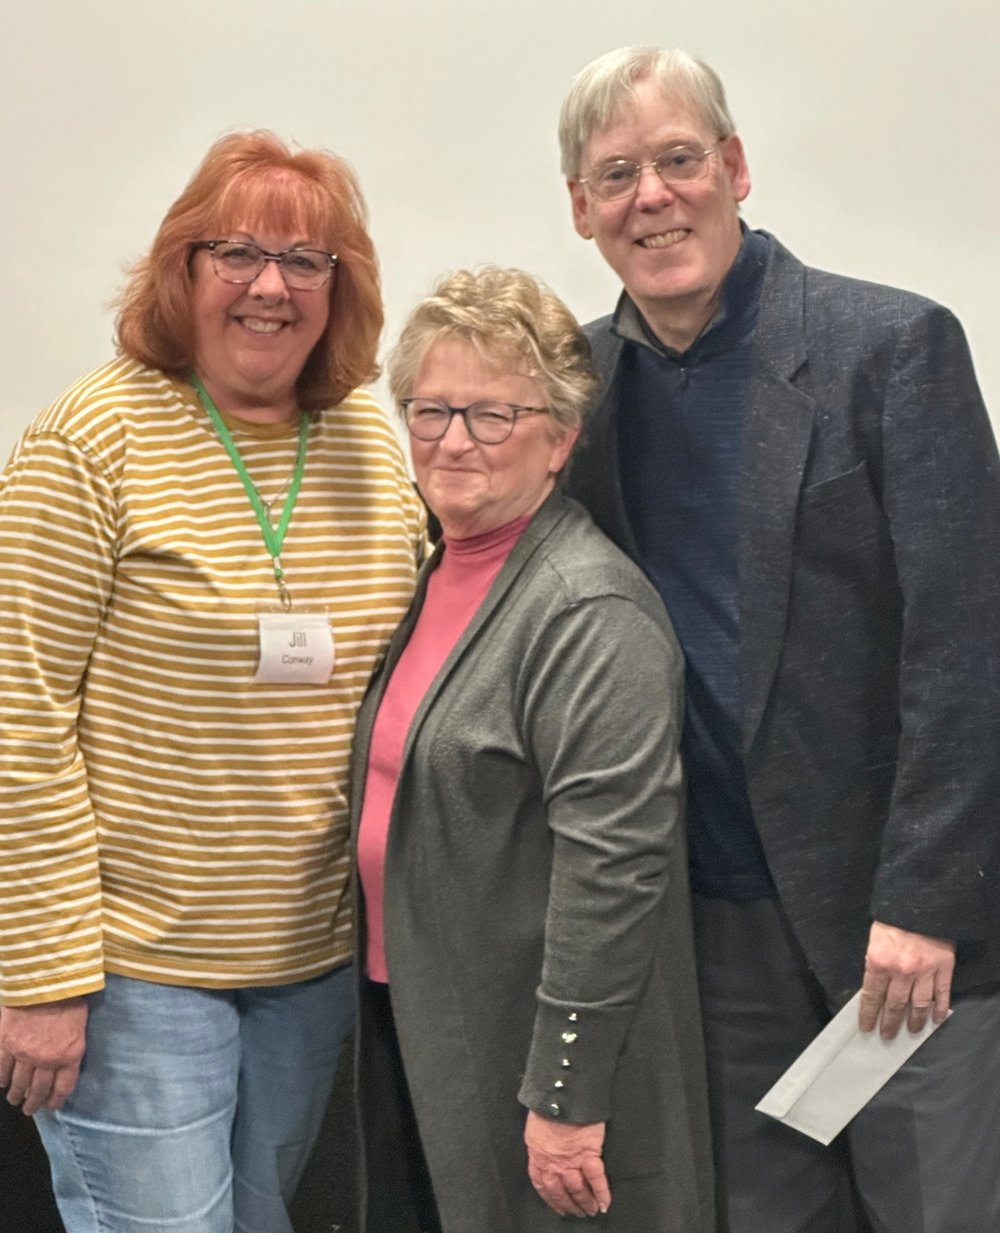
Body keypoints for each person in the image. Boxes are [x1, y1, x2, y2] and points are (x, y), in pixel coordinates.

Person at [557, 45, 1000, 1233]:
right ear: (581, 211)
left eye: (677, 160)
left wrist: (925, 901)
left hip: (895, 944)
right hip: (708, 937)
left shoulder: (890, 348)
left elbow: (966, 647)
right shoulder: (577, 393)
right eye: (615, 176)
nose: (651, 197)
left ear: (736, 168)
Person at [0, 130, 425, 1233]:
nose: (269, 287)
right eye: (236, 252)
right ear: (181, 269)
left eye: (306, 261)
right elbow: (20, 714)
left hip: (310, 965)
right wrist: (41, 972)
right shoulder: (91, 440)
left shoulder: (370, 452)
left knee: (262, 1218)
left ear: (342, 289)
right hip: (135, 972)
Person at [349, 265, 715, 1233]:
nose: (452, 441)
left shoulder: (586, 608)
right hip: (426, 1026)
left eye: (490, 416)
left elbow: (616, 867)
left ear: (558, 440)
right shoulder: (440, 571)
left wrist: (563, 1096)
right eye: (430, 410)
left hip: (540, 1067)